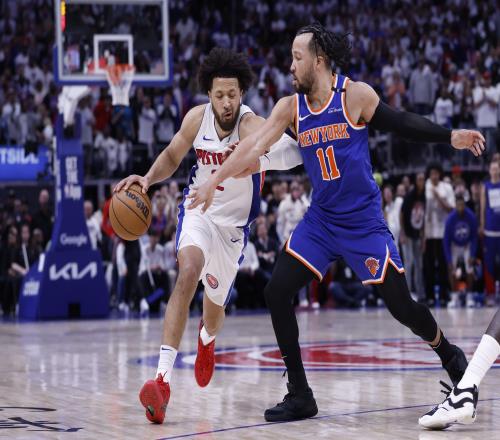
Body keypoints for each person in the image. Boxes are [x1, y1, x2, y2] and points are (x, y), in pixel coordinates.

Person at [188, 23, 485, 422]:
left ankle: (449, 355)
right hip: (322, 221)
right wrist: (214, 181)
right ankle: (300, 394)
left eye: (297, 58)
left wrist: (450, 136)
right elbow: (252, 146)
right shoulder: (290, 108)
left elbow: (400, 122)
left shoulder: (354, 95)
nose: (290, 66)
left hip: (363, 223)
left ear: (319, 60)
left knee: (402, 307)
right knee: (276, 291)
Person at [114, 47, 296, 424]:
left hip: (233, 232)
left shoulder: (252, 125)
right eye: (219, 95)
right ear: (209, 94)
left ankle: (206, 339)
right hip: (199, 212)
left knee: (213, 315)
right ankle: (162, 382)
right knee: (187, 272)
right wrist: (147, 180)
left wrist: (261, 158)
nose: (226, 102)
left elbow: (294, 153)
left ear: (241, 93)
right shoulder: (197, 119)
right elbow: (172, 155)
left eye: (232, 94)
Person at [443, 195, 478, 308]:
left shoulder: (471, 216)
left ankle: (469, 297)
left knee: (470, 268)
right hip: (454, 245)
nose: (460, 208)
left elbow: (474, 237)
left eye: (462, 205)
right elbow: (446, 241)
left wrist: (472, 254)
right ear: (455, 205)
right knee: (451, 269)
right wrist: (449, 260)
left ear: (465, 205)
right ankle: (455, 296)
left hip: (467, 244)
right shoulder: (450, 219)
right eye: (458, 205)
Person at [480, 159, 500, 301]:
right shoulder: (485, 187)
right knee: (489, 263)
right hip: (489, 231)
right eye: (492, 169)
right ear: (489, 171)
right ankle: (490, 292)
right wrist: (482, 225)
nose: (494, 171)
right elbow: (482, 208)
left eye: (496, 168)